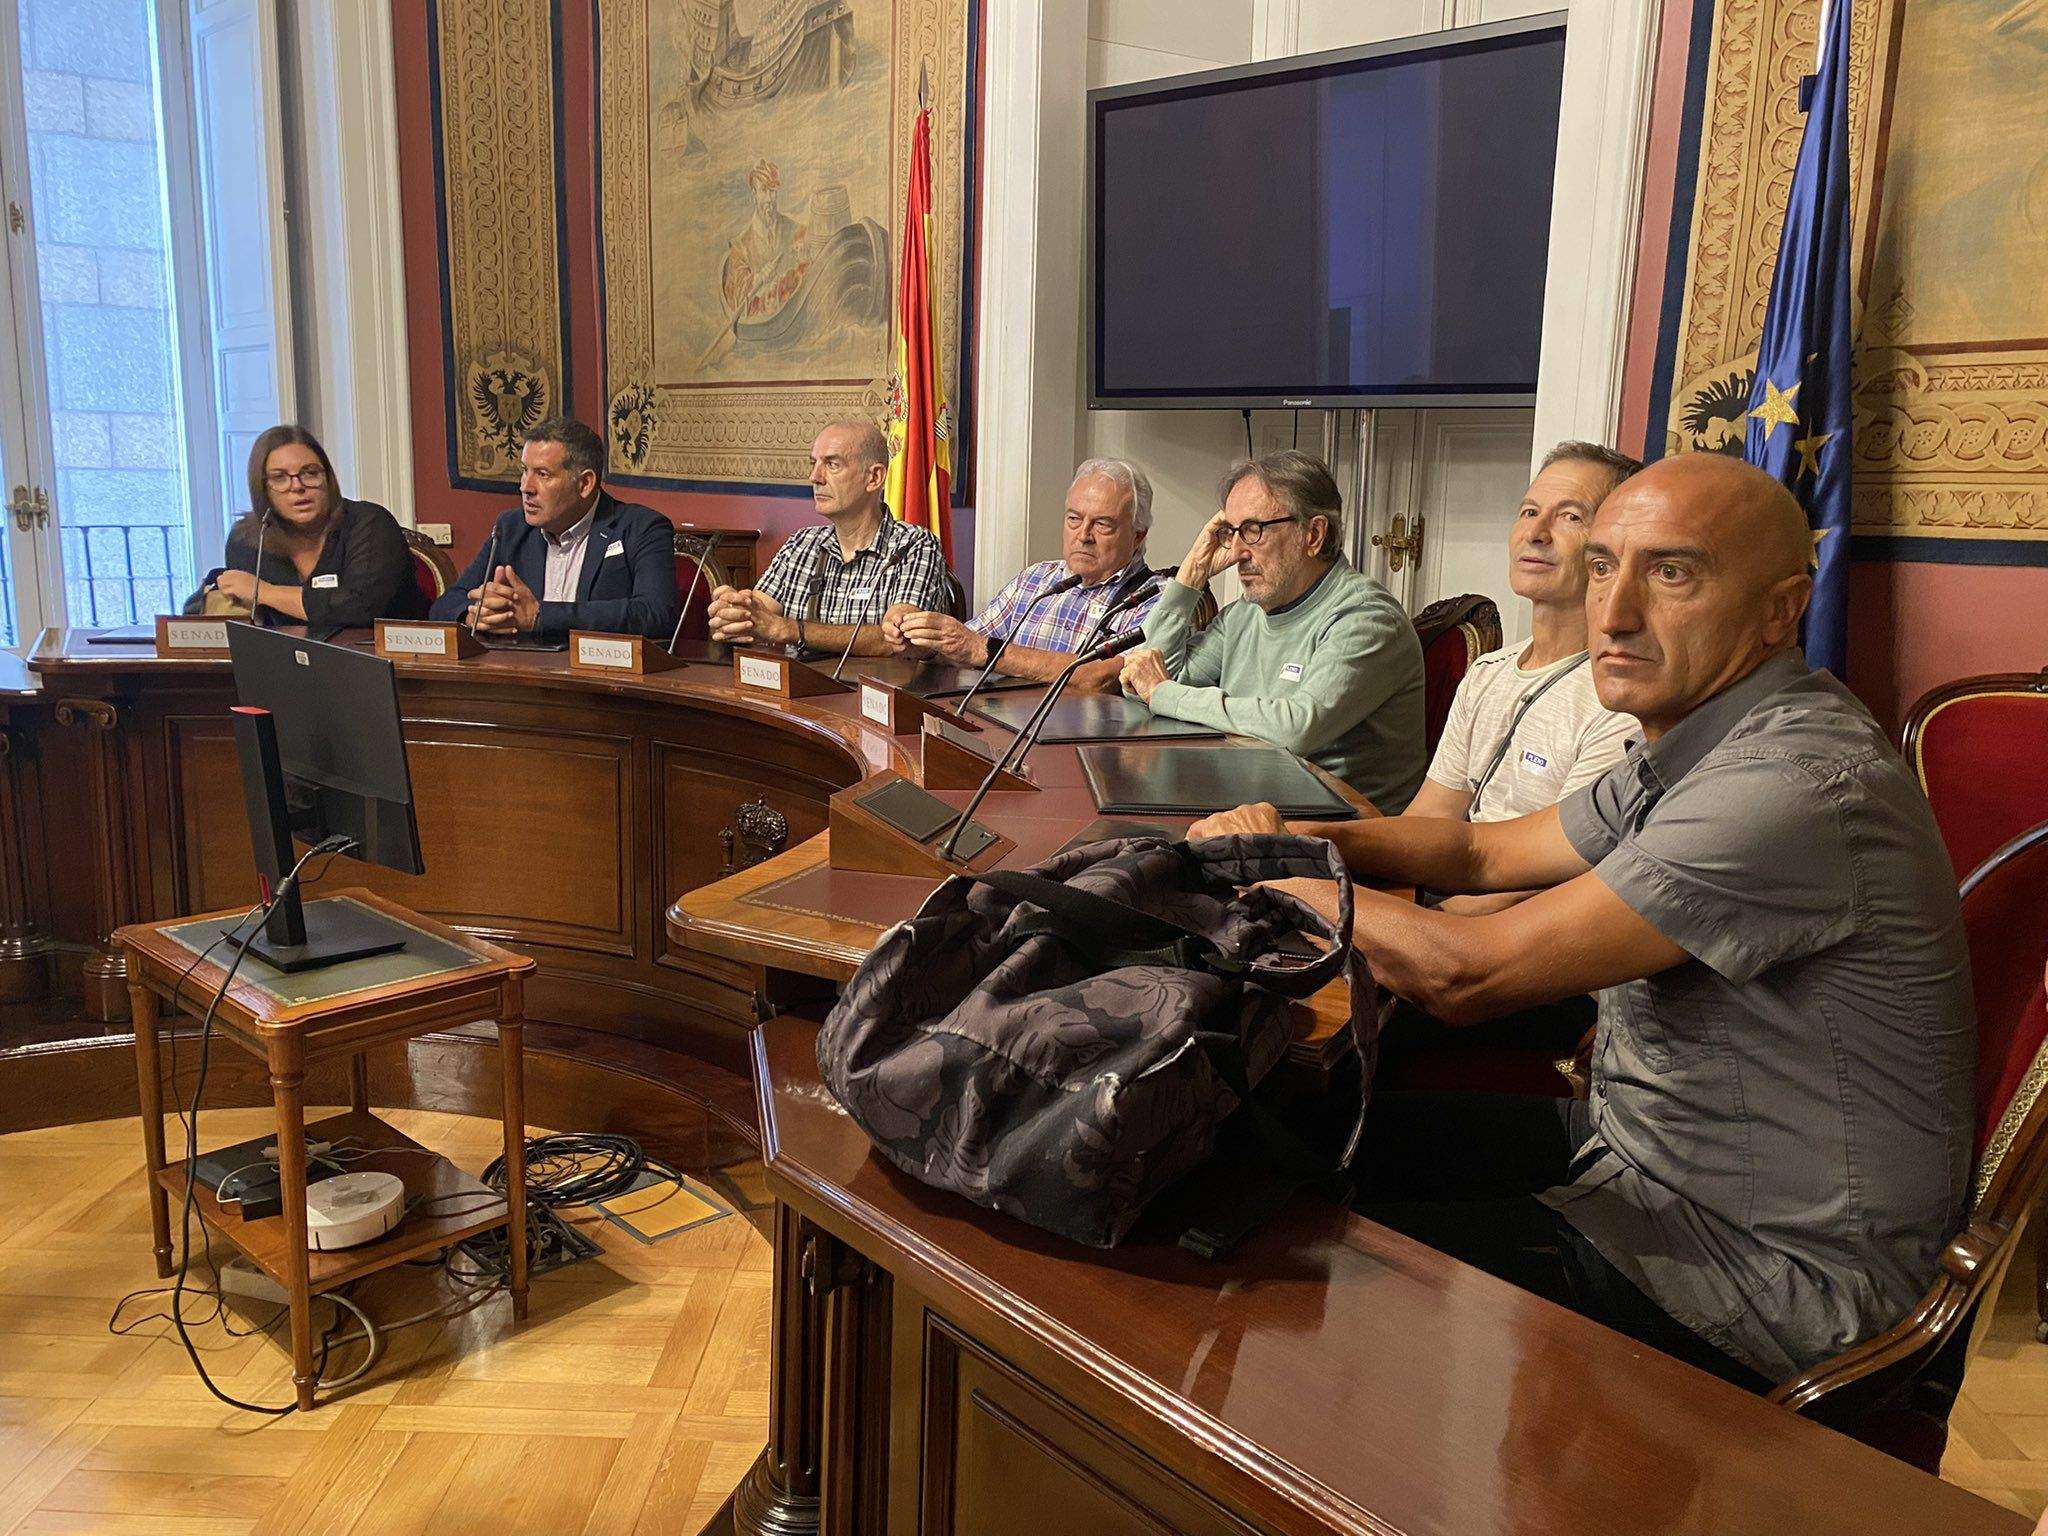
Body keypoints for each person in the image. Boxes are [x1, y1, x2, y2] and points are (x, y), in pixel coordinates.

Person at [1190, 453, 1975, 1389]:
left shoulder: (1789, 784)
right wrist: (1302, 840)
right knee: (1275, 1136)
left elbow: (1466, 976)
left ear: (1780, 610)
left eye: (1671, 571)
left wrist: (1286, 882)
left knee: (1266, 1260)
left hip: (1767, 1273)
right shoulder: (1693, 739)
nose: (1616, 611)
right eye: (1602, 565)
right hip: (1641, 1154)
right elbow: (1483, 852)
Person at [1383, 442, 1643, 1064]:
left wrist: (1412, 926)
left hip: (1531, 962)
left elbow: (1555, 875)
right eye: (1529, 511)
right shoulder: (1487, 673)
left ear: (1612, 550)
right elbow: (1431, 817)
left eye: (1570, 516)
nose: (1538, 531)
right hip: (1450, 914)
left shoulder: (1620, 694)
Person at [1120, 450, 1426, 812]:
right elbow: (1152, 679)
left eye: (1253, 530)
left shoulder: (1367, 617)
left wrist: (1164, 693)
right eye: (1230, 533)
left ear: (1312, 535)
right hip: (1248, 806)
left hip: (1342, 837)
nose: (1236, 552)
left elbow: (1295, 729)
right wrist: (1192, 574)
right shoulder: (1244, 616)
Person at [885, 457, 1160, 690]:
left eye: (1102, 524)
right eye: (1074, 519)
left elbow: (1104, 678)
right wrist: (924, 643)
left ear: (1138, 536)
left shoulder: (1156, 600)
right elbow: (966, 646)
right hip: (1005, 732)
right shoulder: (1037, 579)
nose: (1083, 536)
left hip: (1081, 745)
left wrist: (984, 650)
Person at [707, 420, 952, 658]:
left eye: (832, 465)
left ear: (874, 478)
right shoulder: (801, 544)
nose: (815, 477)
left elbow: (898, 640)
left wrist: (789, 629)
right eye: (813, 464)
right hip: (799, 693)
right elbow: (760, 614)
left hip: (870, 695)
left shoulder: (914, 545)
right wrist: (736, 613)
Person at [428, 417, 681, 643]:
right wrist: (474, 615)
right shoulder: (511, 528)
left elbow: (654, 614)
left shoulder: (641, 528)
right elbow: (445, 605)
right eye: (524, 471)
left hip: (603, 683)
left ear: (585, 483)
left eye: (543, 474)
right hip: (525, 678)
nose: (526, 487)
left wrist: (541, 616)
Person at [186, 425, 424, 626]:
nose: (297, 486)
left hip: (385, 666)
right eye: (279, 477)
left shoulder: (369, 523)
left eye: (309, 473)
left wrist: (265, 592)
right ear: (262, 488)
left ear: (328, 478)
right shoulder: (247, 538)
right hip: (283, 668)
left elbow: (358, 608)